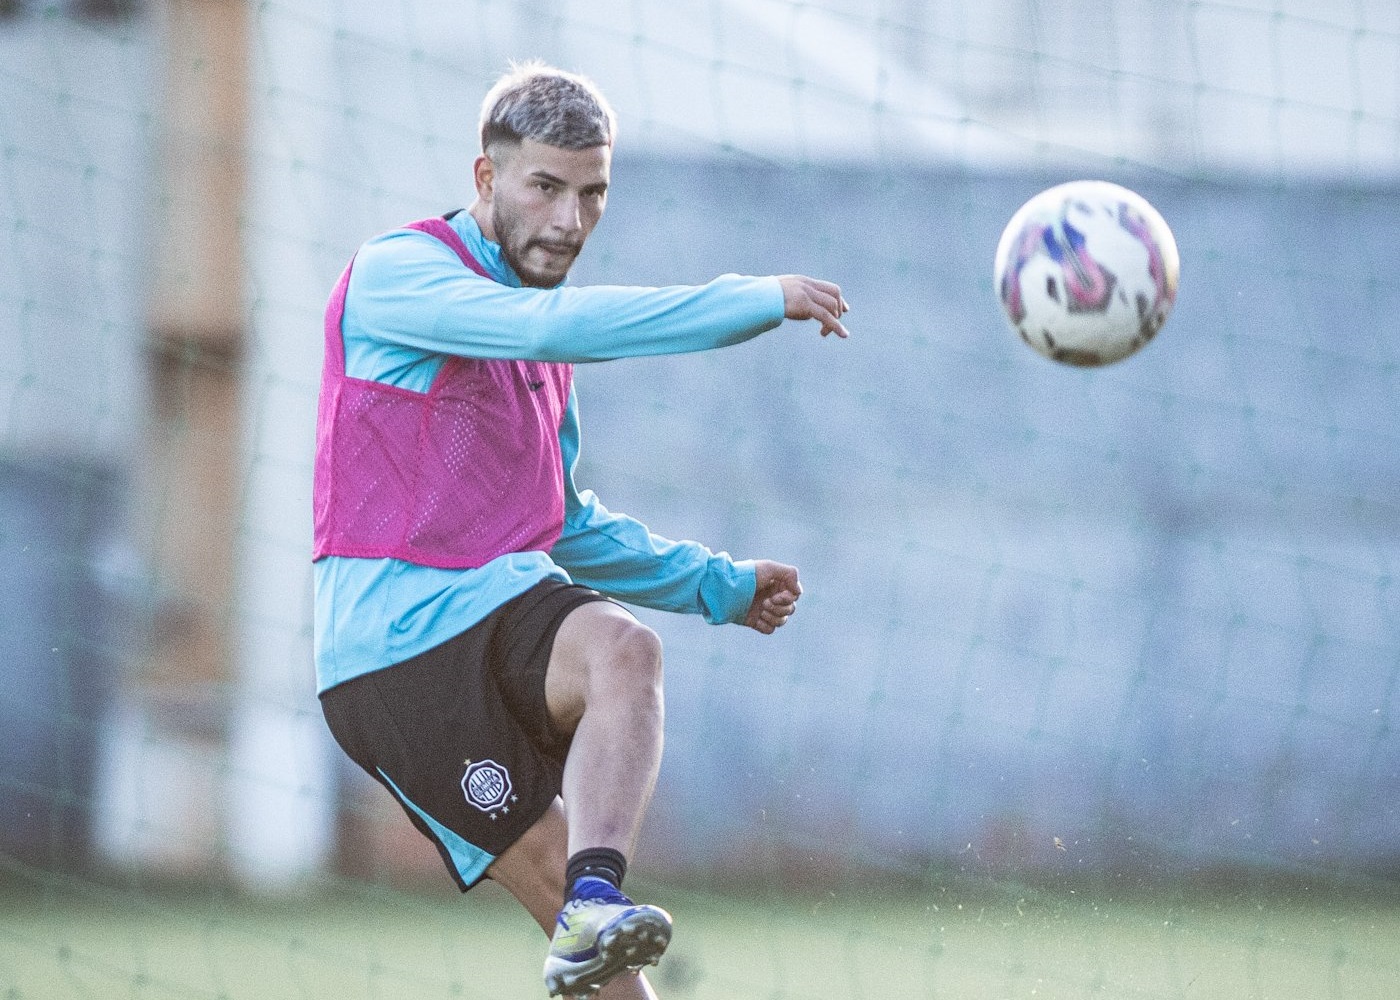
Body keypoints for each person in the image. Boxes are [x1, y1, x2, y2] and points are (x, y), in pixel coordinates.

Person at [312, 60, 849, 999]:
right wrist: (758, 298)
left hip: (496, 612)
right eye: (545, 187)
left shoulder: (540, 357)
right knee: (582, 922)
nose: (569, 219)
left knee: (623, 663)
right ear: (487, 179)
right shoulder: (400, 274)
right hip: (393, 657)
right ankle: (586, 901)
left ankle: (597, 898)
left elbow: (560, 521)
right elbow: (552, 328)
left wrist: (717, 586)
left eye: (592, 193)